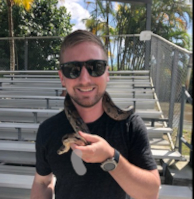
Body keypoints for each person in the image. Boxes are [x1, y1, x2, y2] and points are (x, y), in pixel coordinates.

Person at [30, 29, 160, 199]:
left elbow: (150, 193)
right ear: (62, 77)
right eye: (72, 69)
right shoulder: (47, 130)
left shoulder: (130, 125)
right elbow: (42, 182)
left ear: (107, 73)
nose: (85, 79)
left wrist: (110, 157)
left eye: (95, 67)